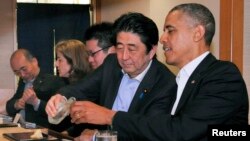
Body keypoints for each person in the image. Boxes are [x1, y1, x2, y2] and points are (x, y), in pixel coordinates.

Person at [68, 3, 249, 141]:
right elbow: (156, 128)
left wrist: (110, 116)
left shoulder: (223, 75)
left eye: (170, 31)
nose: (163, 39)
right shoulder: (182, 80)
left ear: (197, 33)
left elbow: (181, 130)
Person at [46, 12, 177, 140]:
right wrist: (60, 97)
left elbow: (148, 131)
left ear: (152, 51)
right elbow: (81, 88)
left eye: (132, 49)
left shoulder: (165, 84)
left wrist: (99, 136)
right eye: (120, 48)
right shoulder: (111, 63)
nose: (124, 57)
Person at [6, 49, 66, 128]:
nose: (22, 75)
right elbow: (9, 106)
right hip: (19, 128)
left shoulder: (53, 81)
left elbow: (59, 114)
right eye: (17, 72)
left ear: (34, 61)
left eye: (24, 69)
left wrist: (36, 103)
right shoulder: (23, 81)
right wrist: (17, 104)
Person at [50, 39, 92, 132]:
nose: (56, 64)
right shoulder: (66, 84)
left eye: (60, 60)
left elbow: (86, 125)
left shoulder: (87, 88)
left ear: (73, 61)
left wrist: (67, 133)